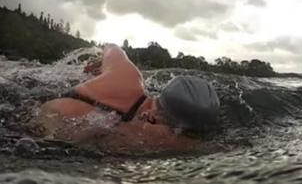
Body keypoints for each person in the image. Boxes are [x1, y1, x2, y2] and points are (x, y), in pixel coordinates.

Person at [33, 44, 220, 152]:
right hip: (48, 139)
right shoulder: (156, 136)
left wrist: (101, 63)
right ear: (155, 119)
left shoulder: (128, 75)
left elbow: (112, 48)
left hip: (43, 114)